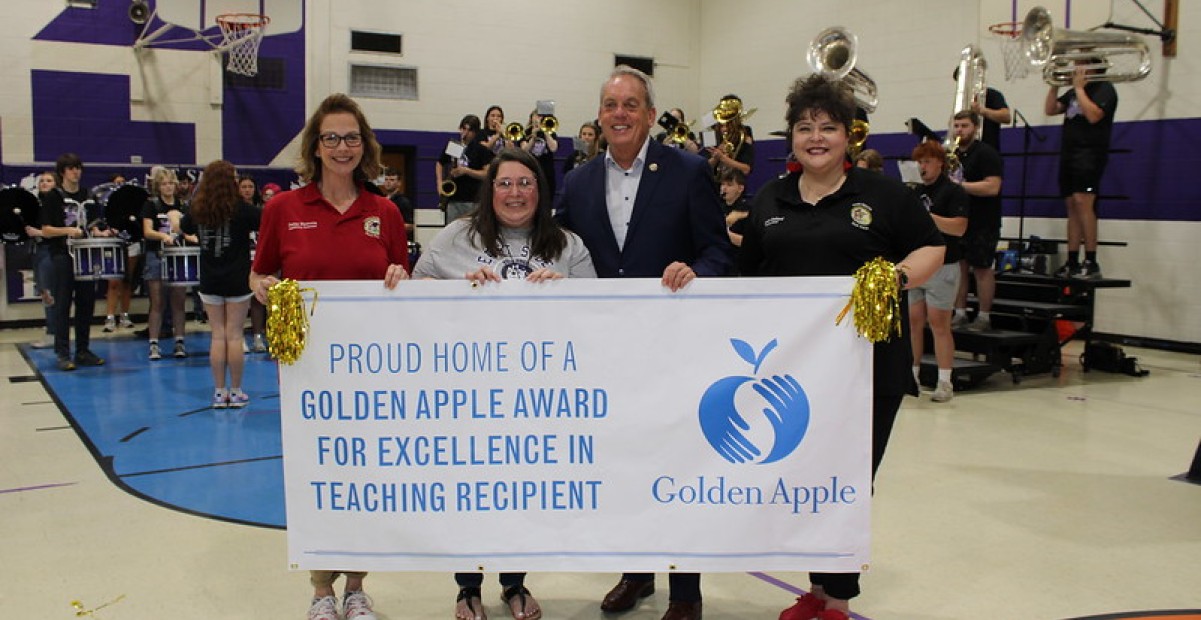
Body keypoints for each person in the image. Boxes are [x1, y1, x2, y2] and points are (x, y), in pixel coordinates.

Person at [736, 73, 944, 620]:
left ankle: (837, 598)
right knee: (806, 481)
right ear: (792, 138)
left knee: (849, 481)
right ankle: (820, 588)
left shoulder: (882, 195)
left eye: (828, 127)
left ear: (848, 136)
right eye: (805, 127)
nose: (816, 137)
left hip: (869, 368)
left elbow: (932, 249)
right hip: (795, 372)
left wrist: (895, 278)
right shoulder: (770, 198)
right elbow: (747, 273)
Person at [555, 65, 733, 620]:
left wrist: (695, 273)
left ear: (651, 115)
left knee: (679, 466)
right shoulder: (578, 180)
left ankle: (686, 593)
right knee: (623, 464)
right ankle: (636, 572)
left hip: (675, 346)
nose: (621, 114)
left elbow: (718, 252)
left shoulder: (687, 171)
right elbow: (558, 252)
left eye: (632, 104)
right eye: (611, 105)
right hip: (606, 349)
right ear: (599, 115)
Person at [412, 148, 593, 620]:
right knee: (470, 490)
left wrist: (567, 291)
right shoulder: (455, 238)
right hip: (469, 392)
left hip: (538, 395)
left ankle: (515, 583)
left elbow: (599, 312)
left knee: (520, 491)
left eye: (525, 183)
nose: (515, 193)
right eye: (505, 183)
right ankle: (467, 588)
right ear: (489, 190)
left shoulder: (567, 245)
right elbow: (413, 294)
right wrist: (459, 289)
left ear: (541, 190)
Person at [250, 92, 409, 620]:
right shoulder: (283, 209)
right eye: (332, 138)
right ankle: (321, 588)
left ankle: (358, 584)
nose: (342, 147)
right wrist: (267, 287)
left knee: (366, 475)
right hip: (307, 368)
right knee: (316, 474)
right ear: (315, 147)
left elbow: (400, 276)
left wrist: (400, 278)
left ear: (365, 146)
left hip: (371, 368)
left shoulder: (384, 212)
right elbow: (259, 273)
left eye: (352, 138)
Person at [180, 161, 261, 408]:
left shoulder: (197, 208)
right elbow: (265, 223)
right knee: (234, 335)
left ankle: (218, 391)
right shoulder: (242, 209)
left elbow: (183, 226)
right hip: (237, 278)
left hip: (210, 279)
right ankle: (235, 391)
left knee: (218, 336)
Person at [1045, 60, 1117, 279]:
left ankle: (1091, 261)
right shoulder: (1074, 92)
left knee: (1083, 202)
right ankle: (1072, 260)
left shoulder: (1104, 88)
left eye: (1082, 63)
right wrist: (1054, 84)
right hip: (1069, 154)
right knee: (1071, 205)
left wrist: (1078, 88)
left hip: (1089, 154)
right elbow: (1050, 109)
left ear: (1095, 66)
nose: (1076, 66)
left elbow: (1094, 116)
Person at [908, 141, 968, 402]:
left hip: (944, 264)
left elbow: (959, 228)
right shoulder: (913, 191)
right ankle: (912, 374)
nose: (923, 167)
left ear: (940, 163)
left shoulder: (953, 192)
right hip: (916, 263)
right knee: (913, 322)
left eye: (928, 162)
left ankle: (945, 381)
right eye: (920, 162)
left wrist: (928, 217)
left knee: (939, 324)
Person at [39, 153, 108, 371]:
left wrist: (99, 232)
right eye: (70, 168)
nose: (75, 172)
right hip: (62, 255)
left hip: (86, 255)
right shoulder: (53, 197)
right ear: (62, 172)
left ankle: (83, 349)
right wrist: (68, 230)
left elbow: (96, 223)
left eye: (78, 168)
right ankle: (62, 352)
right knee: (62, 304)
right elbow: (46, 230)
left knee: (86, 304)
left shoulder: (89, 195)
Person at [947, 111, 1004, 331]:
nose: (960, 130)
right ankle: (959, 313)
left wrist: (959, 186)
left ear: (975, 128)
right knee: (959, 268)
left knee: (982, 268)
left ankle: (984, 316)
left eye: (964, 126)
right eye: (957, 126)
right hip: (960, 220)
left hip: (983, 221)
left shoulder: (986, 153)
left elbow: (993, 187)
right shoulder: (954, 155)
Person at [141, 167, 190, 360]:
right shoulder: (151, 205)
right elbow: (147, 231)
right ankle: (154, 343)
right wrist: (163, 235)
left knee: (178, 301)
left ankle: (179, 341)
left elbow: (187, 230)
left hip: (178, 255)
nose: (168, 187)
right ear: (158, 186)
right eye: (164, 183)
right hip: (157, 254)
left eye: (171, 183)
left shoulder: (183, 206)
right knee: (157, 301)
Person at [437, 114, 493, 222]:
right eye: (463, 129)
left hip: (473, 200)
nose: (465, 133)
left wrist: (467, 171)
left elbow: (487, 174)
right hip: (453, 199)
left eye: (469, 130)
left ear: (475, 132)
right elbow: (440, 163)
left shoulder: (481, 149)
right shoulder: (453, 145)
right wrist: (439, 183)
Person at [29, 171, 58, 349]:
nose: (44, 184)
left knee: (50, 292)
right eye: (42, 181)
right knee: (43, 291)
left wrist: (40, 232)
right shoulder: (35, 205)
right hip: (38, 249)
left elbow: (59, 229)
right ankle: (51, 329)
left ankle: (53, 333)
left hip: (51, 250)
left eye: (49, 181)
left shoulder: (57, 204)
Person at [952, 67, 1012, 151]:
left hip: (988, 149)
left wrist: (981, 110)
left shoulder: (991, 94)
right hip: (964, 150)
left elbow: (1006, 117)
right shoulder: (961, 99)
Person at [705, 94, 754, 178]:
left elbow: (746, 169)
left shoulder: (745, 132)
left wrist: (723, 158)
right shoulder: (711, 132)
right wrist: (716, 158)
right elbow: (704, 168)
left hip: (736, 184)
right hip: (714, 184)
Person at [521, 109, 559, 198]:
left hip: (546, 173)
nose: (539, 118)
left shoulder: (550, 132)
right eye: (537, 115)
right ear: (531, 117)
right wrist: (533, 137)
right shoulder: (525, 133)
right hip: (530, 171)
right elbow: (524, 151)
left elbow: (553, 148)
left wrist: (545, 131)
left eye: (542, 116)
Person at [718, 168, 750, 248]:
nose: (724, 188)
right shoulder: (718, 207)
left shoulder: (747, 210)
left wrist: (723, 233)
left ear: (740, 188)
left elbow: (750, 243)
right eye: (722, 184)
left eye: (729, 185)